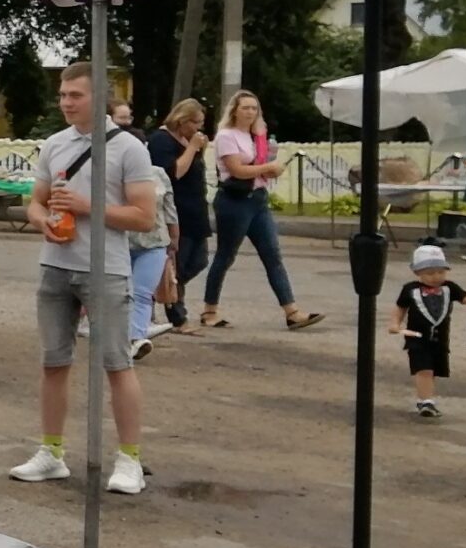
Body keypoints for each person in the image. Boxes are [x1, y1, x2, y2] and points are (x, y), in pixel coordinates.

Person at [11, 60, 154, 497]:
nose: (65, 103)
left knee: (117, 362)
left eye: (75, 95)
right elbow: (35, 202)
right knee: (53, 361)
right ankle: (51, 452)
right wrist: (41, 221)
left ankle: (130, 459)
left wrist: (87, 206)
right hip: (55, 263)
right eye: (62, 94)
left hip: (105, 268)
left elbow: (144, 217)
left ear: (100, 98)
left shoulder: (129, 148)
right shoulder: (54, 144)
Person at [199, 90, 323, 331]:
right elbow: (237, 170)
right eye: (245, 107)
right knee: (226, 255)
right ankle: (209, 309)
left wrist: (271, 169)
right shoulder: (227, 136)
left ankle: (292, 311)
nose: (250, 112)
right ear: (234, 110)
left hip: (258, 198)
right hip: (235, 200)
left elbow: (258, 167)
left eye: (254, 108)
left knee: (272, 255)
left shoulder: (258, 136)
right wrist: (267, 167)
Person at [148, 100, 213, 331]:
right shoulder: (161, 141)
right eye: (195, 122)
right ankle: (177, 315)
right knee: (178, 263)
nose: (198, 128)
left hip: (195, 209)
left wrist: (196, 147)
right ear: (182, 120)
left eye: (201, 123)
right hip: (177, 209)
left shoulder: (188, 141)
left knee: (198, 261)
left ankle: (162, 293)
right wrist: (193, 148)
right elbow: (174, 173)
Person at [393, 242, 466, 420]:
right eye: (430, 273)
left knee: (433, 370)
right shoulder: (410, 289)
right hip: (416, 337)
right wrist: (395, 323)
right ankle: (426, 401)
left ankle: (425, 398)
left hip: (440, 339)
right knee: (423, 368)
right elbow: (400, 307)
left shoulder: (449, 288)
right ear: (417, 273)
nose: (436, 277)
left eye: (440, 272)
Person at [127, 154, 176, 360]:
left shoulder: (158, 173)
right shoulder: (112, 173)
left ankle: (137, 338)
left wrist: (174, 238)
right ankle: (124, 335)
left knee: (142, 292)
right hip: (120, 241)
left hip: (155, 241)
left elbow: (169, 209)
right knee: (120, 292)